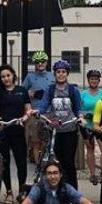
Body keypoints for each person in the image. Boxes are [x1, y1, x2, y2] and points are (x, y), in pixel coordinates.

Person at [0, 64, 31, 204]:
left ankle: (22, 190)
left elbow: (28, 110)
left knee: (21, 162)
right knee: (4, 162)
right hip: (3, 131)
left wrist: (24, 119)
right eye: (3, 77)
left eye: (8, 75)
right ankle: (8, 192)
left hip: (18, 130)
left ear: (13, 75)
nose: (6, 78)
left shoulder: (22, 91)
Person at [37, 59, 82, 189]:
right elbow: (44, 106)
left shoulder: (73, 90)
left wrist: (80, 117)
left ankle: (72, 189)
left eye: (63, 72)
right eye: (58, 72)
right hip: (55, 130)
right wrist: (37, 112)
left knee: (69, 161)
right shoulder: (50, 90)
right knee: (58, 161)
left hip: (70, 129)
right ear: (55, 74)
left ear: (67, 74)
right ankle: (61, 188)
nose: (61, 74)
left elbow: (78, 108)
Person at [22, 51, 54, 162]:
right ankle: (37, 166)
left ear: (46, 63)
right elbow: (22, 92)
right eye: (37, 62)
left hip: (50, 112)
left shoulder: (52, 76)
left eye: (42, 62)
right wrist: (32, 94)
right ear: (34, 64)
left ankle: (47, 163)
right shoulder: (30, 77)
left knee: (47, 140)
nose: (40, 64)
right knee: (36, 141)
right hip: (35, 113)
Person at [79, 69, 102, 185]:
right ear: (88, 80)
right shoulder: (83, 94)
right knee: (90, 148)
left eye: (96, 79)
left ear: (99, 80)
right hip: (87, 124)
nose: (94, 81)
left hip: (100, 124)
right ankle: (93, 174)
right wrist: (83, 115)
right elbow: (79, 109)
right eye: (92, 79)